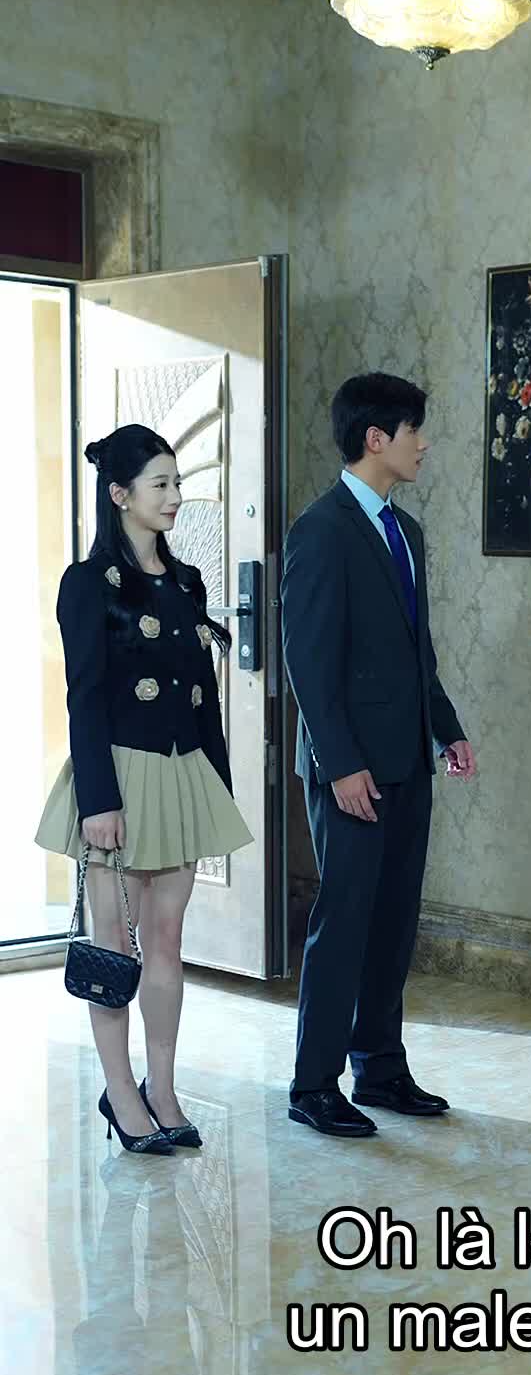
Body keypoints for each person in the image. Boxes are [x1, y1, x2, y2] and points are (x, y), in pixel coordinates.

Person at [36, 426, 252, 1155]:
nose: (176, 496)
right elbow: (84, 698)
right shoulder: (87, 584)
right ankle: (120, 1092)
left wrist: (216, 791)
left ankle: (162, 1088)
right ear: (120, 494)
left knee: (167, 940)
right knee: (113, 946)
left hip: (182, 774)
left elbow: (203, 702)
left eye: (177, 481)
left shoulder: (186, 582)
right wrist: (99, 801)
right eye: (161, 484)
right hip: (119, 782)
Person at [282, 373, 475, 1138]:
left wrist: (446, 727)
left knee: (394, 922)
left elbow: (416, 651)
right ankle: (312, 1084)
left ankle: (381, 1068)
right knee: (345, 922)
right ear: (376, 438)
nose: (423, 444)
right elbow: (307, 661)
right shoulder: (321, 531)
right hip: (351, 769)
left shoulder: (407, 532)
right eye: (413, 431)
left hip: (407, 759)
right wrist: (340, 764)